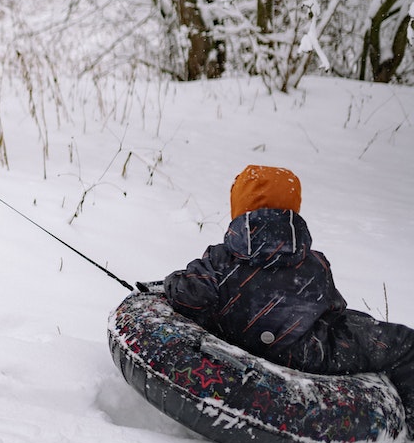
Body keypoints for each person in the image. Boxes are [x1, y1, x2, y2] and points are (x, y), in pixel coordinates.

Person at [159, 164, 414, 421]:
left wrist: (171, 284)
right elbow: (333, 310)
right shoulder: (315, 264)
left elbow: (189, 295)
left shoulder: (219, 259)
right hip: (306, 355)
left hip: (234, 338)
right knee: (403, 343)